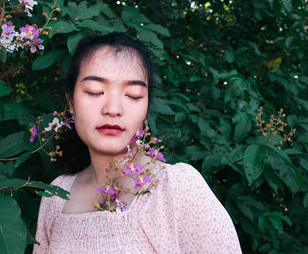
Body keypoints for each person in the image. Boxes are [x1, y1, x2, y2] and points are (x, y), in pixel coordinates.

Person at [33, 33, 242, 253]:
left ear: (146, 106)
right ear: (71, 102)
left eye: (132, 95)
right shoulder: (56, 195)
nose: (113, 109)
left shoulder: (176, 189)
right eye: (95, 92)